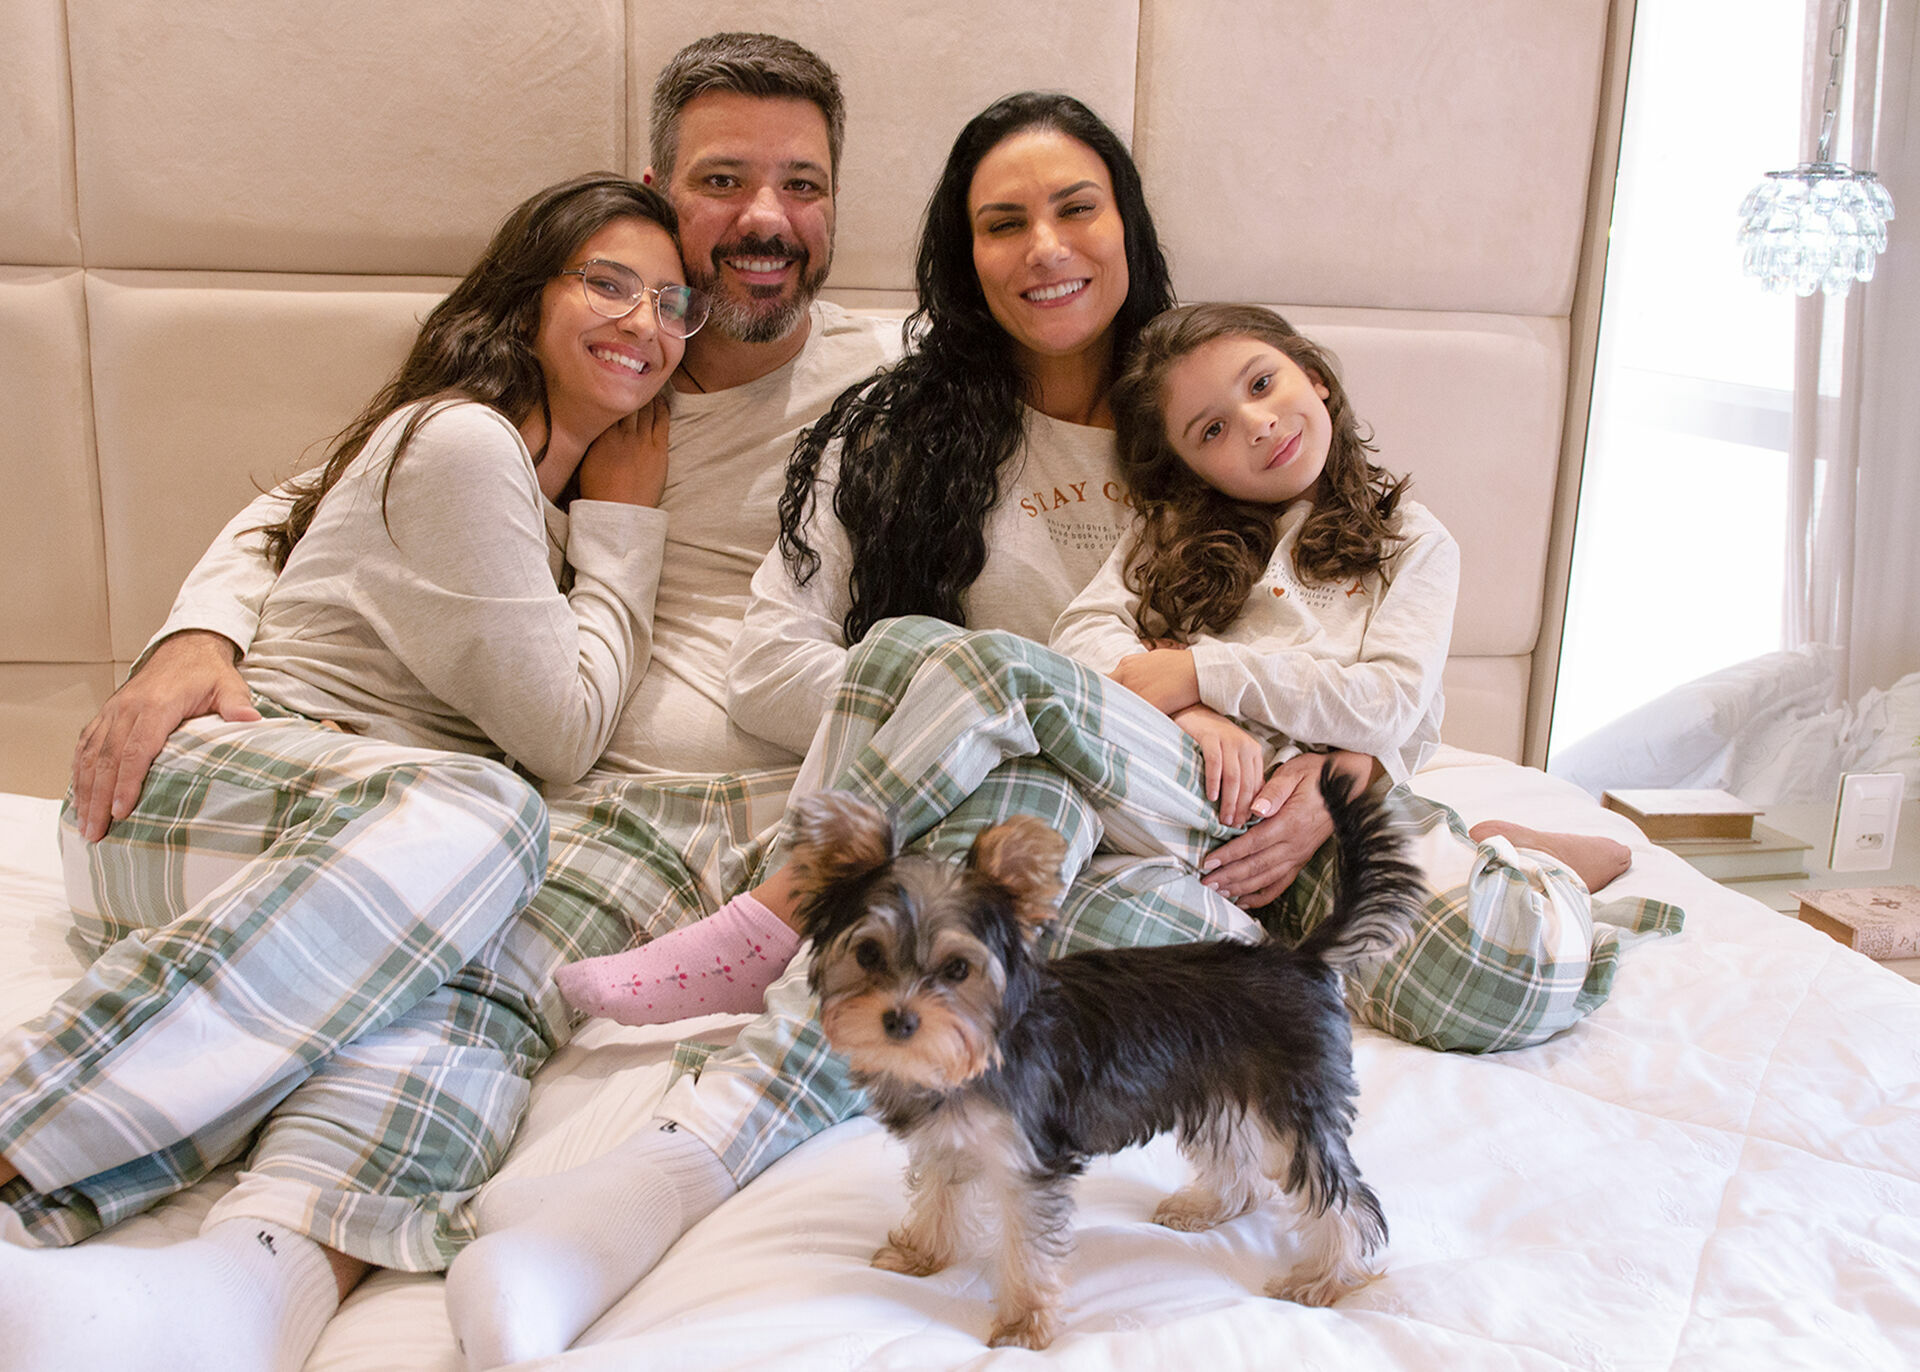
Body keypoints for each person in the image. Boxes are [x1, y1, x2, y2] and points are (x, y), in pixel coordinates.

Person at [445, 96, 1685, 1368]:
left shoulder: (1208, 409)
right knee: (959, 729)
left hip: (1231, 813)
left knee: (1491, 966)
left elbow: (1375, 669)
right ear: (961, 251)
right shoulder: (890, 427)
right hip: (1062, 846)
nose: (1044, 245)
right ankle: (687, 1145)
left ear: (1129, 225)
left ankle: (1536, 858)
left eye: (1075, 206)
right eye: (1002, 220)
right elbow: (797, 663)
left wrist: (1323, 768)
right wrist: (1144, 705)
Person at [0, 171, 695, 1371]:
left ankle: (244, 1291)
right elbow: (563, 732)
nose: (647, 322)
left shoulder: (530, 496)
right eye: (610, 283)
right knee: (495, 810)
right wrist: (631, 529)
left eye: (674, 301)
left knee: (492, 966)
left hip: (358, 856)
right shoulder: (464, 442)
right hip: (198, 791)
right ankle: (24, 1128)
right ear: (526, 298)